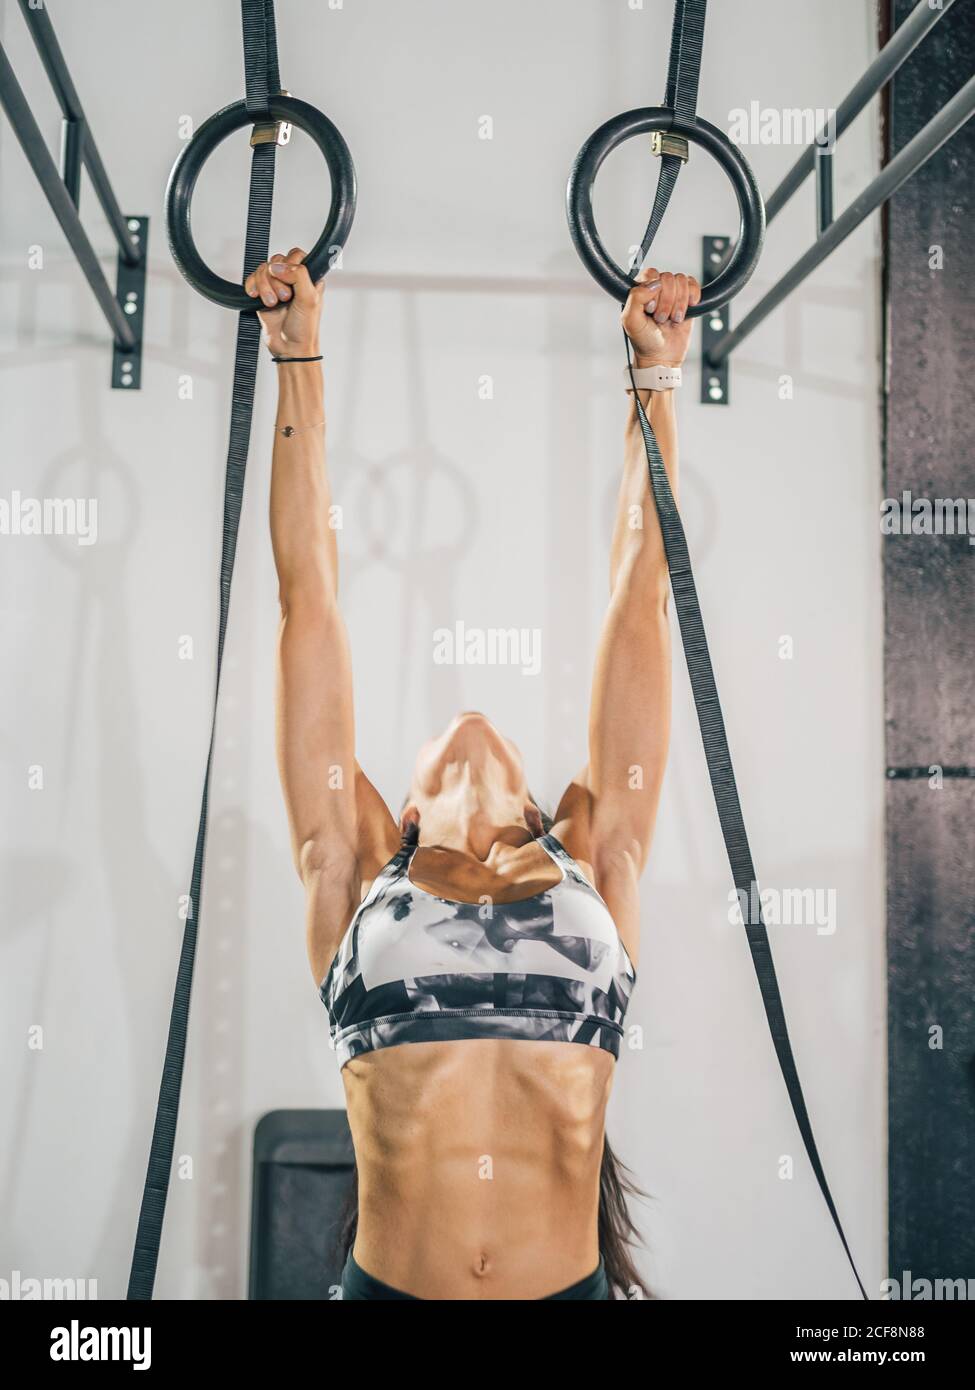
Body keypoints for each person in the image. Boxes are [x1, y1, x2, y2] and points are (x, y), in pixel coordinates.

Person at [245, 249, 701, 1300]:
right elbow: (306, 596)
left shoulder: (596, 856)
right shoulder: (356, 869)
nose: (469, 721)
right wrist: (297, 356)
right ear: (396, 811)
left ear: (546, 806)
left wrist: (657, 379)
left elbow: (643, 598)